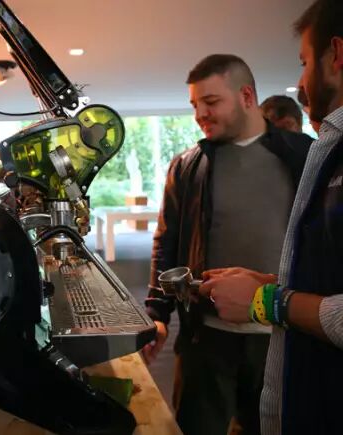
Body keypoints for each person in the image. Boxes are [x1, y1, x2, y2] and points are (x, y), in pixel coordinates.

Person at [143, 54, 312, 435]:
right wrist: (156, 312)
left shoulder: (301, 154)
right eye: (194, 105)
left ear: (247, 96)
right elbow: (166, 242)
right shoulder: (187, 166)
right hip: (204, 338)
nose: (200, 114)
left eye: (211, 101)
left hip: (281, 338)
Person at [199, 1, 343, 434]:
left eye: (304, 63)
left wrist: (269, 301)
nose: (300, 84)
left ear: (337, 55)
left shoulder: (299, 150)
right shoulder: (192, 163)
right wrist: (273, 283)